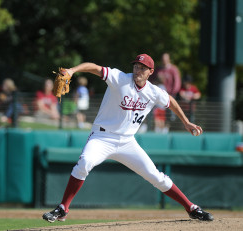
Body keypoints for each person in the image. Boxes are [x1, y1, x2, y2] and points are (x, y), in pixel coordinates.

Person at [42, 54, 214, 222]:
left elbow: (170, 100)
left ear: (151, 72)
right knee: (84, 163)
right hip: (102, 136)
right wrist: (72, 70)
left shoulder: (153, 92)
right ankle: (63, 208)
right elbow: (95, 68)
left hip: (127, 142)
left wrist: (186, 122)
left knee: (156, 177)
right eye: (136, 66)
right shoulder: (120, 78)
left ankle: (191, 208)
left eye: (142, 68)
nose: (138, 70)